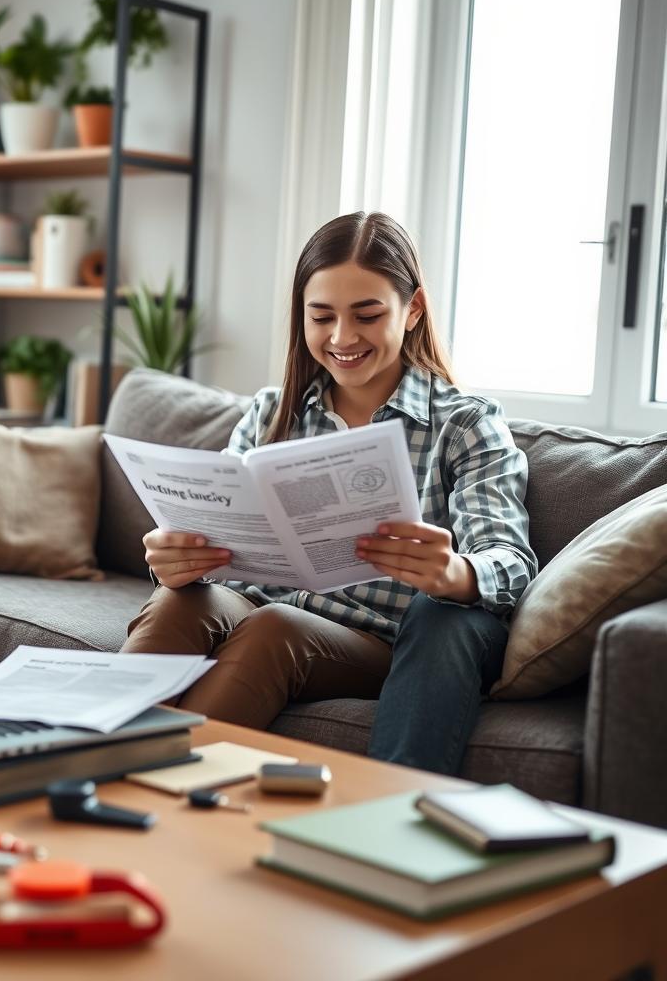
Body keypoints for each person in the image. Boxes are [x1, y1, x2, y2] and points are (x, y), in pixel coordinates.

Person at [122, 211, 538, 776]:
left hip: (368, 635)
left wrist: (452, 573)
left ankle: (159, 788)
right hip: (255, 599)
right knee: (179, 602)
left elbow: (510, 562)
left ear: (412, 309)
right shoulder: (273, 411)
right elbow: (215, 528)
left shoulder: (464, 424)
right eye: (322, 317)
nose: (342, 338)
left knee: (276, 631)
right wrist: (178, 556)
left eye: (367, 315)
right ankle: (70, 773)